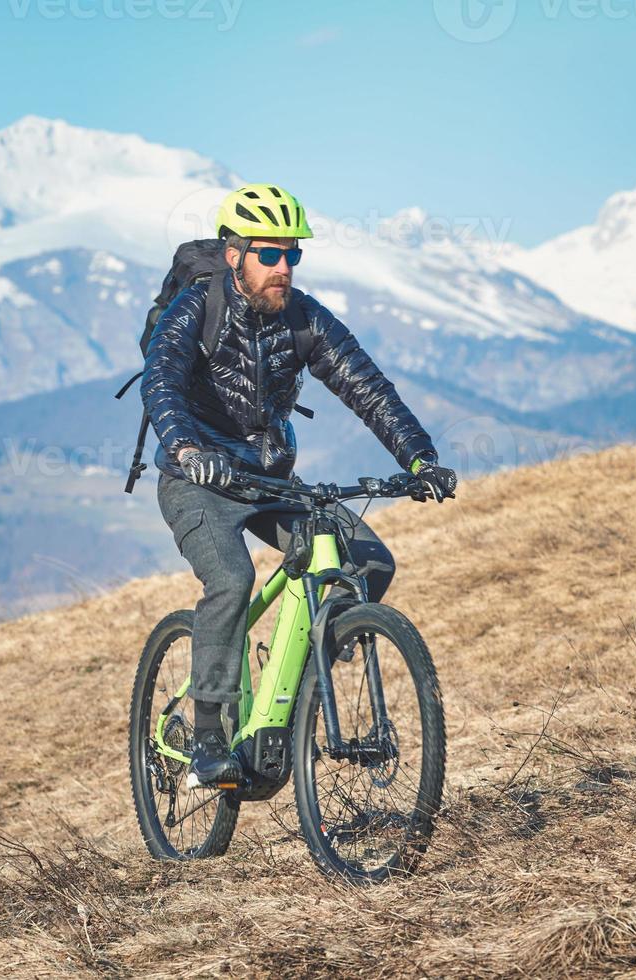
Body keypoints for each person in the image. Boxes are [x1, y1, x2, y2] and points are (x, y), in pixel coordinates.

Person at [140, 183, 457, 786]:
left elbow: (367, 387)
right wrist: (185, 448)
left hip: (268, 480)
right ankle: (208, 736)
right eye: (269, 254)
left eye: (292, 255)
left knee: (366, 561)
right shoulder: (196, 310)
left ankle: (303, 689)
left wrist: (419, 457)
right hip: (198, 480)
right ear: (234, 255)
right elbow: (162, 380)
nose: (283, 267)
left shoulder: (303, 316)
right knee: (232, 581)